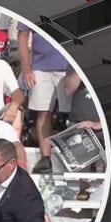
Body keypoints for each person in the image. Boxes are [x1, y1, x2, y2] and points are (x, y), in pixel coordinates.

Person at [17, 23, 72, 174]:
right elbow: (22, 35)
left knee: (71, 113)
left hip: (68, 66)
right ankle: (45, 158)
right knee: (42, 112)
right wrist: (26, 67)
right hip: (40, 66)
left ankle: (75, 156)